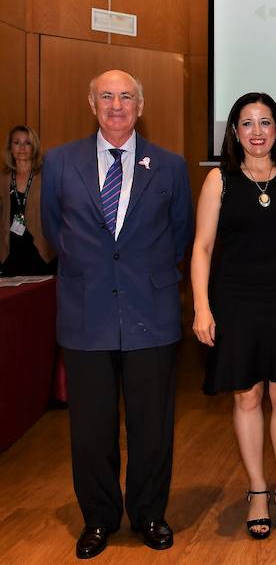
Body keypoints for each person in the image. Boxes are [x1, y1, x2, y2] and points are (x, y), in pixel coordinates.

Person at [41, 70, 193, 559]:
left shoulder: (169, 166)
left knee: (152, 427)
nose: (116, 104)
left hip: (151, 310)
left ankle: (149, 513)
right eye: (106, 96)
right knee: (90, 429)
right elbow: (53, 231)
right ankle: (100, 519)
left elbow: (180, 235)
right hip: (87, 315)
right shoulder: (61, 162)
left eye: (126, 96)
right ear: (91, 104)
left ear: (141, 105)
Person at [191, 92, 276, 541]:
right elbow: (203, 248)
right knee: (247, 397)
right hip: (235, 300)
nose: (257, 131)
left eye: (265, 122)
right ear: (234, 131)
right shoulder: (219, 181)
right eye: (247, 123)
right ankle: (257, 490)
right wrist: (201, 306)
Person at [1, 125, 55, 276]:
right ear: (10, 147)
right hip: (11, 250)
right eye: (17, 143)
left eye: (27, 143)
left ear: (34, 147)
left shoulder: (47, 176)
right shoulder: (3, 179)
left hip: (41, 249)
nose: (22, 148)